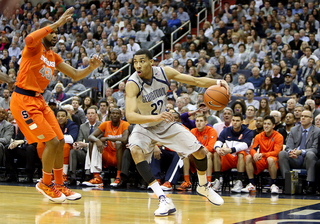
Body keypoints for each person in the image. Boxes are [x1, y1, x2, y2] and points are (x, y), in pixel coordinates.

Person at [10, 8, 102, 203]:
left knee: (60, 141)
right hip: (23, 100)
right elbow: (27, 39)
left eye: (57, 34)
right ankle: (45, 183)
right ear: (44, 32)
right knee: (50, 142)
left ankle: (59, 185)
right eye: (52, 32)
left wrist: (91, 68)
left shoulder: (53, 56)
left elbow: (76, 75)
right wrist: (57, 23)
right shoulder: (33, 48)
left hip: (39, 100)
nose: (55, 36)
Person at [125, 49, 227, 216]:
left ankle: (203, 187)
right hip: (144, 125)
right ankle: (163, 198)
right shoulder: (133, 83)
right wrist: (156, 117)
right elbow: (130, 116)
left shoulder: (164, 73)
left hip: (164, 123)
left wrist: (218, 82)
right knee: (135, 150)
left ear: (151, 62)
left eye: (142, 61)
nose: (137, 65)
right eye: (135, 62)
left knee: (201, 152)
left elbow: (195, 80)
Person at [279, 110, 320, 194]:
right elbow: (288, 147)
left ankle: (310, 184)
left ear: (311, 119)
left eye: (305, 116)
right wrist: (292, 152)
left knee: (310, 154)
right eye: (301, 116)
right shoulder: (294, 129)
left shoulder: (317, 131)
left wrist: (301, 152)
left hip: (307, 159)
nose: (303, 118)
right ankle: (287, 183)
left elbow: (315, 149)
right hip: (294, 158)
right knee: (282, 153)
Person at [87, 108, 129, 187]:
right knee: (92, 144)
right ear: (110, 115)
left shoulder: (125, 124)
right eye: (113, 113)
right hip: (108, 156)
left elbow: (124, 139)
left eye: (117, 113)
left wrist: (107, 138)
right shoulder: (105, 124)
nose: (115, 115)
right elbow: (90, 136)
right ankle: (97, 177)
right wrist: (97, 140)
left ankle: (118, 176)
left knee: (119, 143)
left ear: (121, 115)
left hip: (120, 157)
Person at [241, 115, 283, 194]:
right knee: (248, 157)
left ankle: (273, 184)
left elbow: (276, 152)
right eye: (265, 124)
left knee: (270, 159)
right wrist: (255, 154)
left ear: (273, 125)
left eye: (268, 124)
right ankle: (252, 184)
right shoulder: (258, 136)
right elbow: (253, 149)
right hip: (261, 159)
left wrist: (262, 154)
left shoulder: (279, 136)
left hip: (272, 160)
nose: (266, 126)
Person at [213, 113, 253, 193]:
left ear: (242, 122)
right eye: (233, 120)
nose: (235, 122)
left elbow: (245, 145)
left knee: (241, 153)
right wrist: (217, 148)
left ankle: (239, 181)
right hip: (229, 158)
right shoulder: (226, 130)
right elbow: (219, 141)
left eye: (237, 121)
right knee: (216, 153)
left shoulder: (248, 132)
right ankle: (217, 181)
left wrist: (230, 150)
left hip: (242, 160)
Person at [69, 106, 102, 185]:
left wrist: (86, 145)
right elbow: (79, 139)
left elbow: (99, 141)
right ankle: (72, 177)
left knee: (92, 146)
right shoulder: (82, 126)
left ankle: (90, 175)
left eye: (92, 113)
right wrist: (77, 144)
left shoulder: (101, 125)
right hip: (84, 152)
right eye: (88, 114)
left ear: (96, 115)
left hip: (98, 152)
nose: (90, 115)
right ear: (86, 116)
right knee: (73, 151)